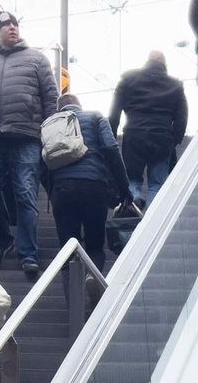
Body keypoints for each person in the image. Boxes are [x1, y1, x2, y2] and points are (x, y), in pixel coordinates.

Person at [0, 9, 58, 278]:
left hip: (26, 136)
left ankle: (27, 253)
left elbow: (51, 97)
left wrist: (47, 133)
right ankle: (4, 237)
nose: (11, 28)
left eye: (15, 23)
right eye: (5, 24)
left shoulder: (37, 59)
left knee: (26, 193)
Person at [39, 91, 132, 273]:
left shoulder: (49, 124)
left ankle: (72, 295)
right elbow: (111, 148)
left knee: (68, 248)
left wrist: (52, 193)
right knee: (95, 245)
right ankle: (93, 280)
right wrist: (124, 188)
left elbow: (41, 164)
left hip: (62, 189)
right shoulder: (95, 116)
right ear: (79, 105)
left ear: (59, 109)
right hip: (94, 187)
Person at [109, 50, 188, 207]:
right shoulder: (176, 85)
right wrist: (175, 139)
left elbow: (114, 111)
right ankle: (150, 219)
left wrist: (111, 135)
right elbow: (182, 117)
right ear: (164, 64)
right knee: (157, 184)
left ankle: (135, 199)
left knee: (132, 178)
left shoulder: (128, 79)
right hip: (162, 138)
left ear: (147, 61)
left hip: (134, 136)